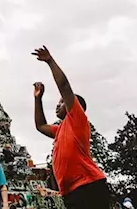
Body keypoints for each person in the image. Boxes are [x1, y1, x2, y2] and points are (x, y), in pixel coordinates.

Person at [32, 45, 109, 208]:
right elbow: (40, 126)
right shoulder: (61, 129)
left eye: (62, 102)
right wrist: (38, 99)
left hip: (88, 185)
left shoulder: (77, 120)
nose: (58, 105)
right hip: (71, 190)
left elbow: (65, 86)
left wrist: (50, 61)